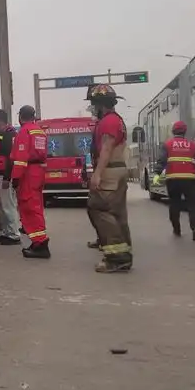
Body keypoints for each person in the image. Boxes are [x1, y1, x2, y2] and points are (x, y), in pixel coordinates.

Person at [85, 84, 132, 273]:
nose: (92, 109)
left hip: (110, 171)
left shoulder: (109, 122)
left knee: (99, 208)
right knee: (117, 213)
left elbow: (106, 148)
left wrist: (97, 174)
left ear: (100, 104)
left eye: (94, 105)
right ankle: (123, 253)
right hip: (116, 170)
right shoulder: (115, 120)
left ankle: (116, 257)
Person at [11, 105, 51, 259]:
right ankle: (37, 242)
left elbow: (20, 159)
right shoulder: (40, 131)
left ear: (20, 117)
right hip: (38, 172)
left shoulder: (24, 131)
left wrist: (15, 178)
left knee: (29, 209)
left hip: (27, 173)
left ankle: (40, 243)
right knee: (36, 207)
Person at [157, 120, 195, 241]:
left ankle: (176, 228)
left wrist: (157, 173)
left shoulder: (167, 145)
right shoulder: (192, 145)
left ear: (173, 131)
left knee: (174, 203)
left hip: (173, 179)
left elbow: (162, 160)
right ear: (185, 131)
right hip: (189, 179)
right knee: (193, 204)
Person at [0, 109, 21, 245]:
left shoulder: (9, 135)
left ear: (0, 120)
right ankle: (5, 232)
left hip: (4, 176)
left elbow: (11, 158)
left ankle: (14, 234)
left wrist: (7, 178)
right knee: (0, 206)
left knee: (8, 205)